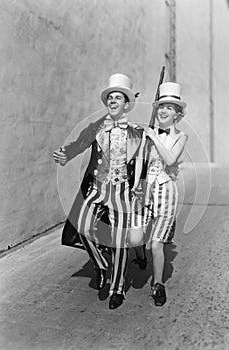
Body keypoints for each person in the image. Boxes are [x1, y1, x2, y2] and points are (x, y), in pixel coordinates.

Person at [53, 73, 145, 310]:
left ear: (126, 103)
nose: (113, 101)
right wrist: (66, 155)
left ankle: (117, 288)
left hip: (123, 192)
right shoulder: (96, 127)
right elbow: (78, 144)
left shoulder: (137, 133)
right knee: (81, 226)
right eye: (110, 98)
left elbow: (144, 166)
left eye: (118, 98)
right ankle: (102, 264)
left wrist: (142, 190)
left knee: (120, 241)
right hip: (97, 187)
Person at [130, 82, 188, 306]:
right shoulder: (147, 135)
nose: (163, 111)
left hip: (165, 191)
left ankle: (158, 284)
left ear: (177, 114)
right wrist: (136, 184)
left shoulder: (180, 137)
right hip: (144, 189)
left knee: (156, 244)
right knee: (134, 238)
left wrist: (153, 136)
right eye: (161, 106)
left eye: (170, 108)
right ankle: (140, 256)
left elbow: (170, 160)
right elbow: (139, 163)